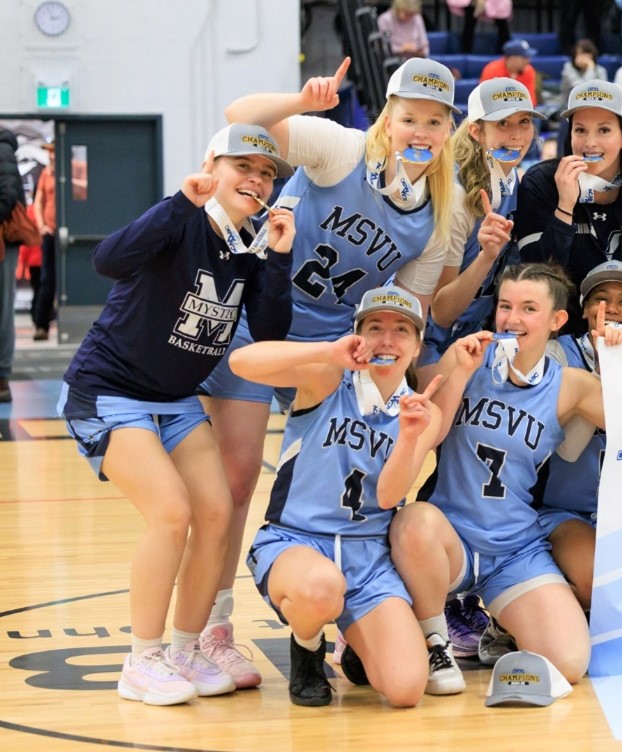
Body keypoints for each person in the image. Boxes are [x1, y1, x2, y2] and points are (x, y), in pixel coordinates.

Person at [199, 57, 459, 688]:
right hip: (264, 319)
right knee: (235, 484)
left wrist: (418, 395)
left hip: (339, 345)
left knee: (353, 467)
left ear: (449, 129)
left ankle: (356, 620)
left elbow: (412, 312)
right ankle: (212, 626)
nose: (419, 131)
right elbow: (241, 118)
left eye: (433, 121)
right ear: (388, 118)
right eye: (408, 118)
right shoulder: (341, 148)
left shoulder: (439, 214)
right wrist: (302, 98)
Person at [58, 125, 298, 704]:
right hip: (107, 391)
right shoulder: (181, 220)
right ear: (211, 165)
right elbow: (109, 259)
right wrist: (180, 202)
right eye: (244, 167)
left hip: (175, 401)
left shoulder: (250, 246)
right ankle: (141, 659)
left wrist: (278, 260)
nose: (257, 180)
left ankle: (187, 648)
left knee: (216, 512)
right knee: (172, 511)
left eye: (267, 174)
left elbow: (268, 334)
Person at [388, 262, 622, 685]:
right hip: (453, 538)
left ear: (557, 321)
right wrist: (459, 373)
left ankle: (502, 625)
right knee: (414, 521)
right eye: (505, 306)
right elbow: (429, 433)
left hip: (515, 546)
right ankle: (434, 642)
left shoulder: (571, 385)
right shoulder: (468, 358)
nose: (512, 319)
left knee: (568, 664)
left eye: (528, 309)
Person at [232, 286, 445, 707]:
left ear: (417, 345)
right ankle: (307, 646)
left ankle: (358, 644)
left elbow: (389, 497)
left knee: (405, 689)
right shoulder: (328, 380)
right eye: (375, 328)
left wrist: (407, 438)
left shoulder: (424, 411)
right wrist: (328, 351)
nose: (387, 340)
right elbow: (240, 363)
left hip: (369, 554)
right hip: (296, 541)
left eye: (401, 330)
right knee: (321, 588)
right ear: (357, 336)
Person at [537, 261, 622, 610]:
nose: (612, 309)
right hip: (564, 511)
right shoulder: (557, 354)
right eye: (601, 299)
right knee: (601, 586)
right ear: (583, 308)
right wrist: (602, 366)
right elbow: (566, 450)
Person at [515, 80, 622, 331]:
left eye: (604, 130)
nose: (590, 143)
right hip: (561, 327)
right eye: (580, 130)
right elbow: (538, 278)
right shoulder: (540, 182)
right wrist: (564, 206)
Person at [423, 78, 544, 386]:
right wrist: (486, 257)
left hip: (477, 330)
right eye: (503, 123)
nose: (517, 135)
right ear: (477, 131)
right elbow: (441, 312)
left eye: (524, 122)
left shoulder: (508, 174)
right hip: (431, 338)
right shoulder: (456, 197)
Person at [0, 126, 21, 402]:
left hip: (4, 241)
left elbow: (9, 194)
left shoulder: (3, 150)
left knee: (3, 307)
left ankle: (2, 376)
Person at [31, 142, 57, 342]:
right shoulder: (46, 174)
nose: (51, 156)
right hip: (50, 235)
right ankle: (41, 325)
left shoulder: (74, 169)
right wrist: (41, 226)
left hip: (68, 234)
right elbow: (38, 200)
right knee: (46, 280)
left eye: (53, 152)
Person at [560, 39, 608, 106]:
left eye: (586, 54)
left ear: (592, 55)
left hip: (595, 107)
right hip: (570, 108)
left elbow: (604, 94)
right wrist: (590, 68)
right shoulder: (568, 68)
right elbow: (582, 92)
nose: (582, 58)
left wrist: (590, 68)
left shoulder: (601, 71)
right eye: (579, 54)